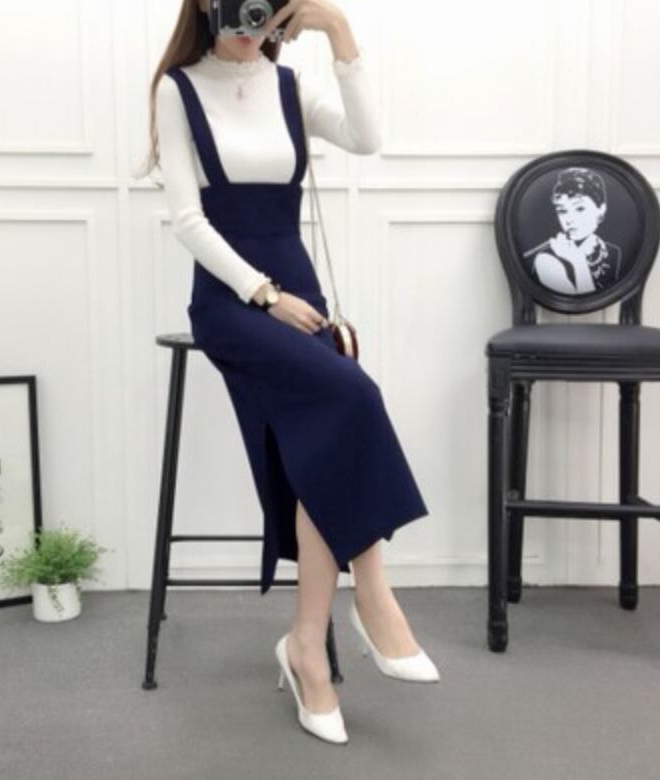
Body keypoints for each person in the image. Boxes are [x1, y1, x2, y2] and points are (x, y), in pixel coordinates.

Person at [136, 0, 440, 744]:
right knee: (353, 394)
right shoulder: (178, 88)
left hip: (300, 293)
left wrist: (338, 31)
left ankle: (306, 646)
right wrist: (263, 296)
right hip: (233, 300)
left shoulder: (289, 86)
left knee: (322, 443)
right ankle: (374, 594)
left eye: (265, 4)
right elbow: (188, 221)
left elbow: (367, 139)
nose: (250, 20)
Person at [523, 167, 623, 295]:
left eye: (580, 209)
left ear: (601, 209)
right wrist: (578, 261)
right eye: (562, 211)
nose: (569, 219)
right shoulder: (545, 259)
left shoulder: (612, 251)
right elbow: (585, 302)